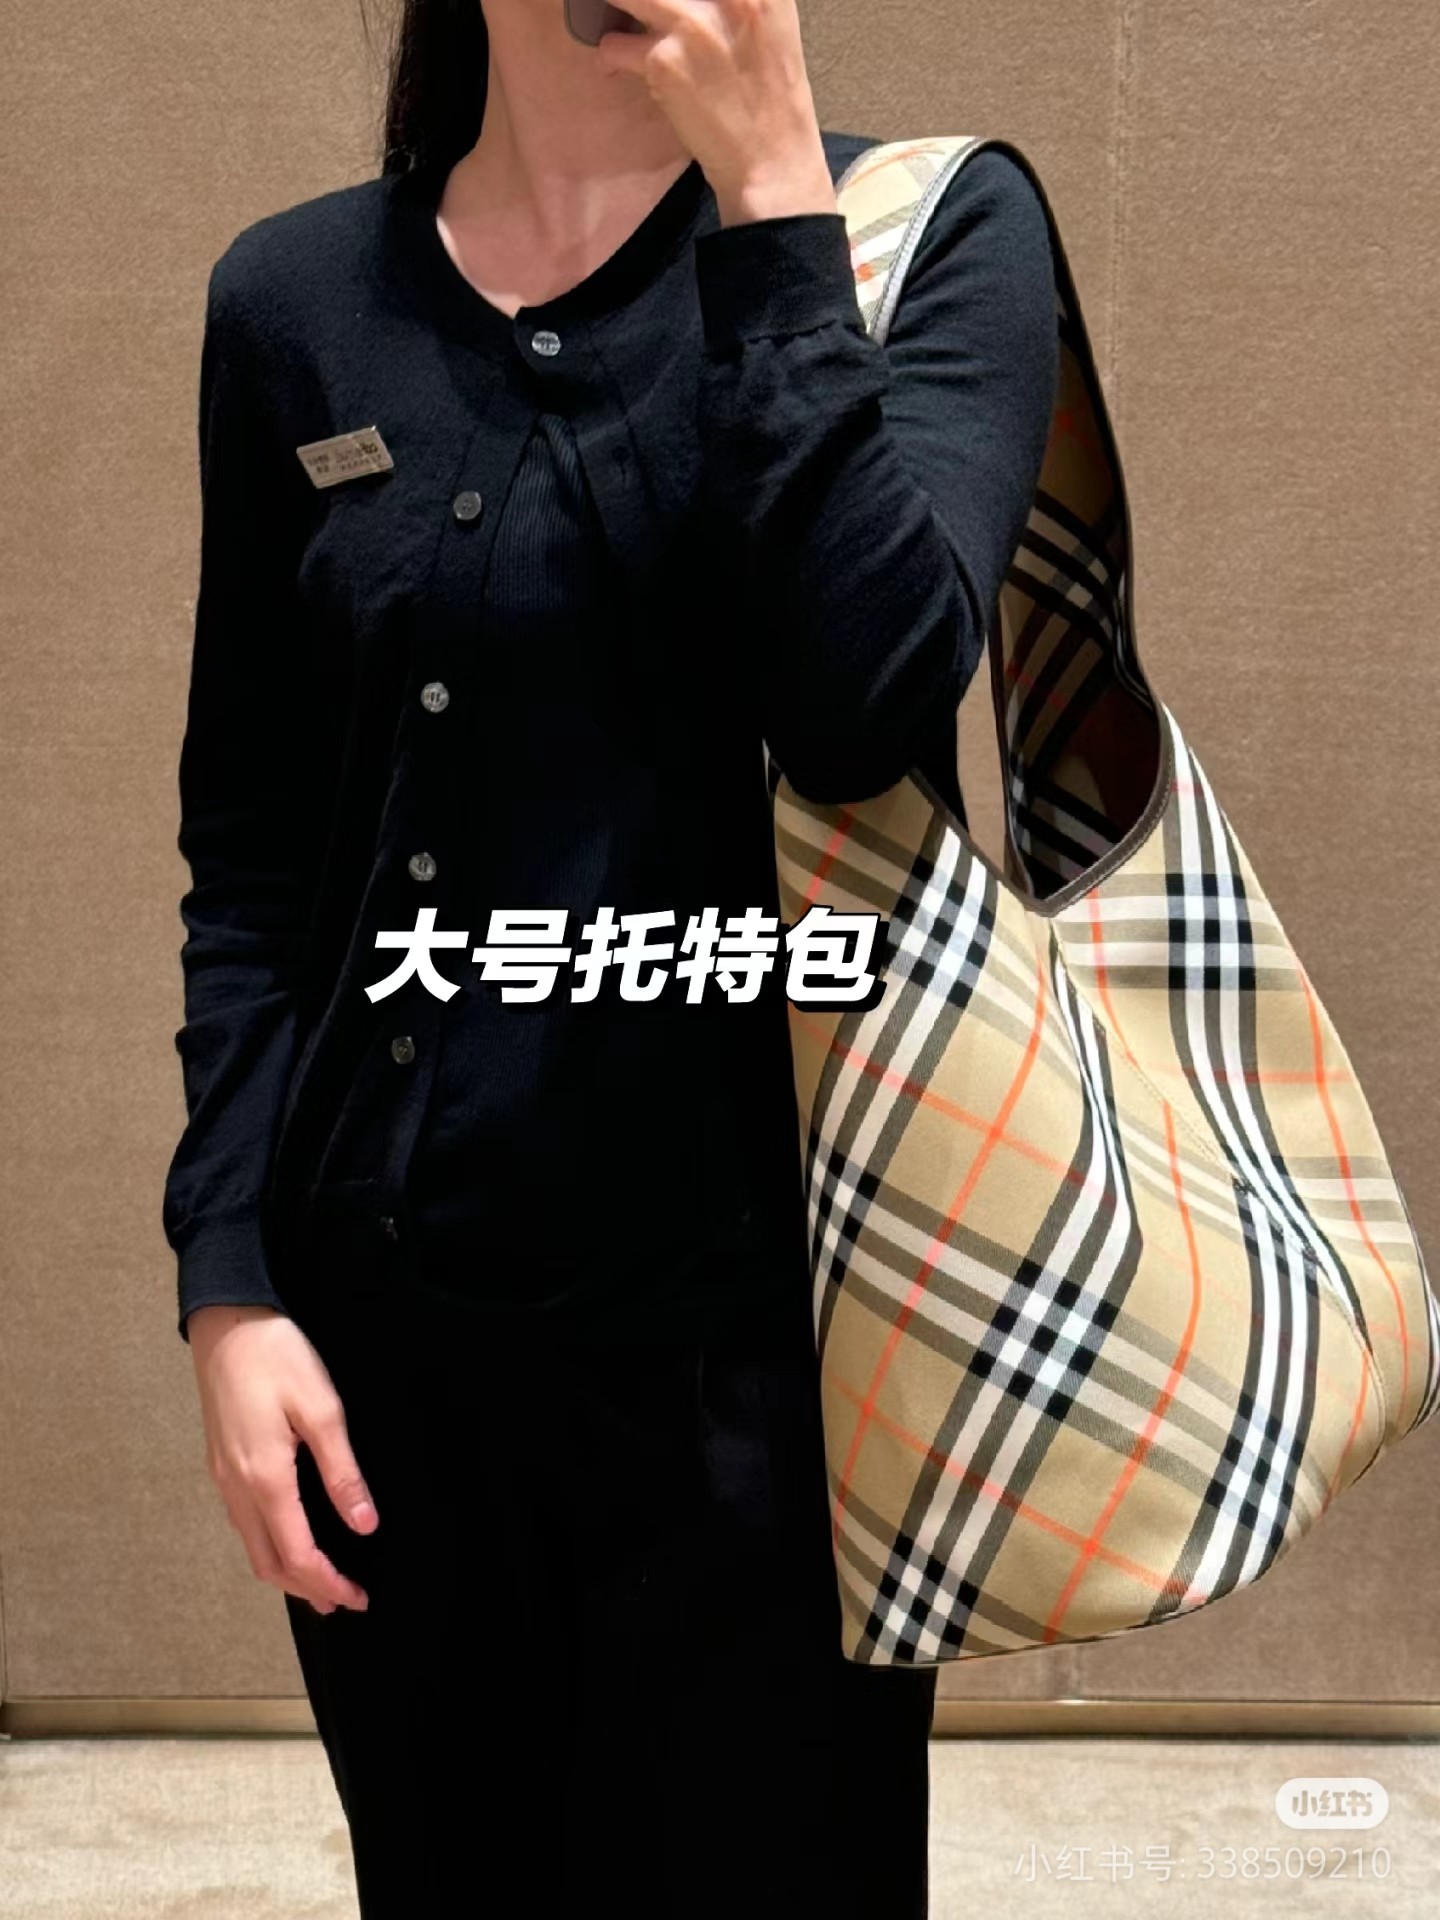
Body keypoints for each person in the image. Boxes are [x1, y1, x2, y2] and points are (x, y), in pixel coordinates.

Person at [161, 0, 1060, 1912]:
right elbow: (255, 851)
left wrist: (772, 203)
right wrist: (230, 1286)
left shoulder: (928, 241)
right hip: (388, 1377)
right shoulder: (292, 301)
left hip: (769, 1390)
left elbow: (866, 709)